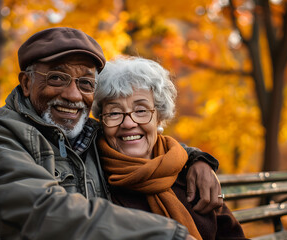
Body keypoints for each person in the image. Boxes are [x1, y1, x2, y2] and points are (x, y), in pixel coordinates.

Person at [0, 27, 221, 240]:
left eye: (86, 83)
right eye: (57, 78)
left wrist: (197, 160)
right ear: (26, 83)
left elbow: (142, 136)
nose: (73, 95)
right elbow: (39, 212)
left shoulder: (89, 133)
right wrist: (165, 235)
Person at [92, 56, 247, 240]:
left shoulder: (191, 173)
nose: (128, 123)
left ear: (159, 117)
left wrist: (199, 160)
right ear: (102, 121)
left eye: (141, 110)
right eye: (115, 113)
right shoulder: (94, 181)